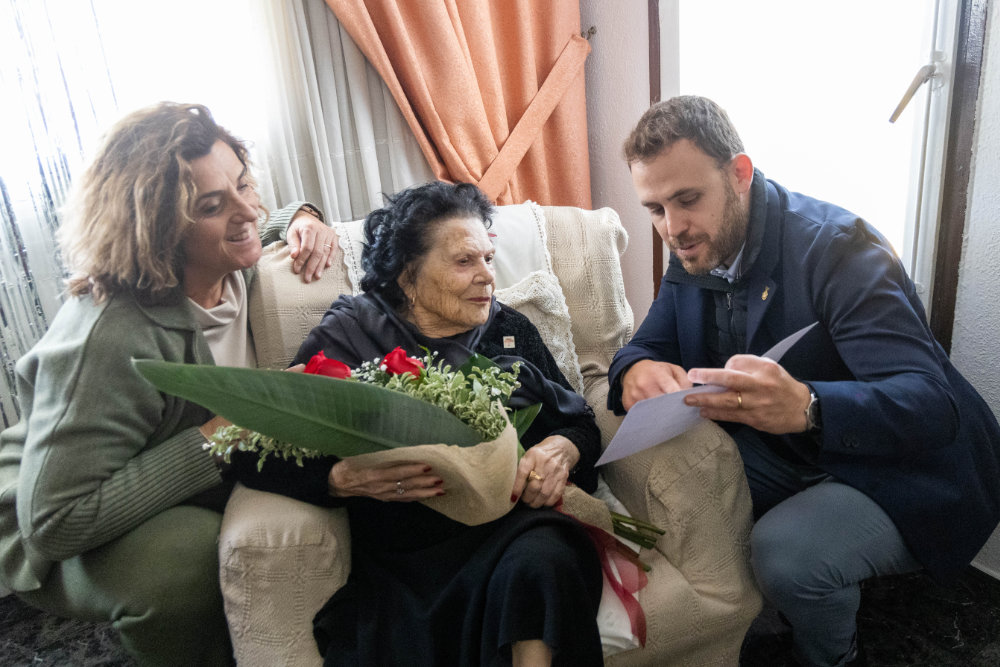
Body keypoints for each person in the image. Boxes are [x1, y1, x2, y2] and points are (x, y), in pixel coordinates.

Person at [607, 95, 1000, 667]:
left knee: (786, 555)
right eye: (655, 209)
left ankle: (830, 657)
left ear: (739, 174)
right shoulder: (693, 246)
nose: (673, 227)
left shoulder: (839, 250)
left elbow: (931, 404)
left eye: (687, 200)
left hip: (905, 463)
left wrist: (809, 405)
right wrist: (634, 370)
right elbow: (645, 345)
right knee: (674, 483)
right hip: (795, 449)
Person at [0, 102, 336, 666]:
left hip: (149, 467)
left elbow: (255, 217)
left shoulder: (228, 259)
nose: (246, 210)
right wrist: (221, 435)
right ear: (158, 229)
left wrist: (301, 216)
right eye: (211, 205)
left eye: (244, 183)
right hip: (50, 508)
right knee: (190, 559)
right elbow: (53, 524)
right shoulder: (110, 337)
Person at [228, 181, 605, 667]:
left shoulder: (509, 329)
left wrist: (562, 450)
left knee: (543, 564)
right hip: (409, 552)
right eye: (465, 262)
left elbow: (581, 424)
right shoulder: (348, 338)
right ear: (408, 275)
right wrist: (337, 480)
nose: (487, 277)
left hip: (514, 526)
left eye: (488, 258)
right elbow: (252, 450)